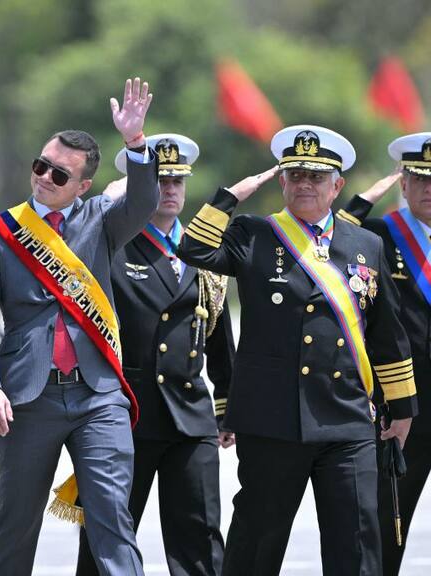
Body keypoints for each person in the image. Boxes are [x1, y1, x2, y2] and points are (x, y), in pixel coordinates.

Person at [178, 124, 418, 575]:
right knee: (256, 542)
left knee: (357, 544)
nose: (305, 184)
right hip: (271, 421)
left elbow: (387, 333)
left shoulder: (365, 244)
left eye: (316, 176)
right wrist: (228, 198)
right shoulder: (254, 234)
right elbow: (193, 249)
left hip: (346, 420)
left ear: (337, 185)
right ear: (283, 182)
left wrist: (401, 409)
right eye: (296, 175)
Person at [0, 77, 157, 576]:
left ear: (83, 185)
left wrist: (136, 144)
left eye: (59, 174)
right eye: (40, 166)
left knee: (112, 516)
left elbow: (143, 202)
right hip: (29, 398)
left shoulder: (101, 219)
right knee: (17, 522)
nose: (45, 177)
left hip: (98, 395)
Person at [76, 133, 235, 576]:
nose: (169, 190)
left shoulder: (201, 251)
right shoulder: (113, 244)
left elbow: (217, 334)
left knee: (199, 538)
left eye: (177, 181)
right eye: (159, 180)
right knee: (107, 538)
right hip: (127, 415)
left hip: (190, 415)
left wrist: (227, 404)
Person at [336, 131, 431, 575]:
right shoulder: (379, 234)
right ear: (403, 183)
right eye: (419, 178)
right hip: (401, 408)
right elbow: (330, 240)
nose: (429, 188)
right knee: (386, 521)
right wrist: (361, 201)